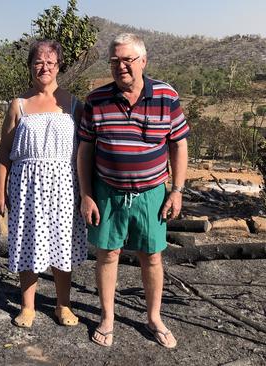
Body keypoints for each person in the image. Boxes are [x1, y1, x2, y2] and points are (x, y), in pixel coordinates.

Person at [77, 33, 189, 348]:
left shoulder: (166, 96)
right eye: (114, 61)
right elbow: (85, 151)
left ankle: (154, 317)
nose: (121, 66)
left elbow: (178, 145)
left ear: (143, 61)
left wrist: (177, 189)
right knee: (107, 254)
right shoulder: (97, 100)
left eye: (127, 60)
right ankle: (107, 317)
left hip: (152, 192)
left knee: (152, 257)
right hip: (107, 191)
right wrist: (87, 194)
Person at [0, 39, 87, 328]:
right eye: (38, 62)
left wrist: (87, 192)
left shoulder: (73, 104)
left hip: (63, 185)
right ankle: (28, 306)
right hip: (25, 186)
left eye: (50, 62)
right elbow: (4, 151)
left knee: (63, 243)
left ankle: (63, 305)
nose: (44, 67)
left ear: (59, 66)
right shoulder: (18, 105)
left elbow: (84, 152)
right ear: (30, 67)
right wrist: (0, 189)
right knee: (26, 242)